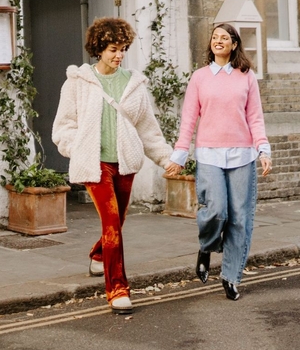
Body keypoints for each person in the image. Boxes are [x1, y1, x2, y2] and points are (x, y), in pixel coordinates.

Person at [52, 17, 179, 314]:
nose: (119, 55)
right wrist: (78, 149)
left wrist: (166, 159)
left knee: (118, 221)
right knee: (111, 223)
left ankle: (98, 256)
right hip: (95, 165)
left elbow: (148, 129)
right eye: (112, 49)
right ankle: (117, 289)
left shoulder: (134, 84)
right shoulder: (78, 83)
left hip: (124, 164)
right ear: (98, 48)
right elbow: (64, 126)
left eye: (123, 48)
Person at [169, 23, 272, 301]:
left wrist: (263, 149)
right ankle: (206, 246)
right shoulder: (200, 77)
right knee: (216, 210)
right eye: (215, 37)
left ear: (234, 44)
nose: (218, 41)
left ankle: (230, 276)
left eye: (224, 38)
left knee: (240, 218)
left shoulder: (245, 76)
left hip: (242, 155)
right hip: (209, 154)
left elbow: (255, 117)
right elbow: (189, 119)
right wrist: (179, 155)